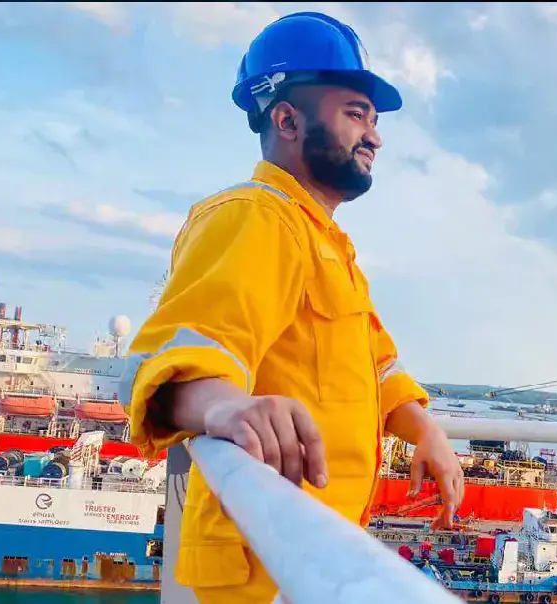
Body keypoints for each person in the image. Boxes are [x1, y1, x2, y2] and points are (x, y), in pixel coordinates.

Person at [118, 11, 464, 603]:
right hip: (260, 569)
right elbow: (187, 352)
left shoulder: (327, 243)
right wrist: (227, 409)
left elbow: (376, 365)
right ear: (286, 119)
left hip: (307, 553)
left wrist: (422, 427)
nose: (375, 136)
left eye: (374, 120)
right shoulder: (257, 216)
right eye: (356, 113)